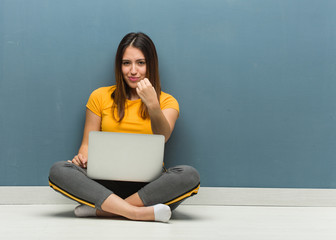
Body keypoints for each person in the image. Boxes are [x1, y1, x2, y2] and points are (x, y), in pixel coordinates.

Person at [49, 32, 200, 223]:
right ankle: (136, 213)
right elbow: (86, 145)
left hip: (147, 187)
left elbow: (163, 136)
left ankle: (103, 210)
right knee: (59, 170)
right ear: (119, 66)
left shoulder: (167, 101)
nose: (133, 71)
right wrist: (82, 157)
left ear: (151, 65)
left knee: (189, 175)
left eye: (141, 63)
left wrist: (153, 104)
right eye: (126, 63)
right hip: (103, 185)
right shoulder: (99, 96)